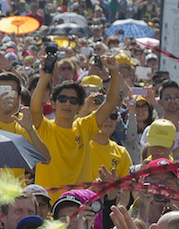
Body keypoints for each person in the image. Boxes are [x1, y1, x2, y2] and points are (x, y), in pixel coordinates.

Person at [30, 53, 121, 196]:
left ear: (79, 107)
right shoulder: (45, 127)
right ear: (53, 103)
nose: (67, 103)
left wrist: (114, 71)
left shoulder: (83, 126)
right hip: (48, 204)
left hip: (79, 203)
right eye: (62, 99)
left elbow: (110, 103)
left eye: (73, 101)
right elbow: (35, 109)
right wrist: (45, 77)